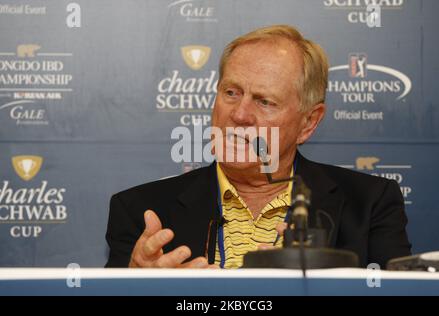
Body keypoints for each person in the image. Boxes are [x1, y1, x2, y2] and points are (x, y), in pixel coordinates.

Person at [105, 25, 411, 269]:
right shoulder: (140, 211)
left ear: (308, 122)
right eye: (231, 92)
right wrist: (136, 286)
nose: (239, 115)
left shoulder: (369, 204)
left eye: (265, 102)